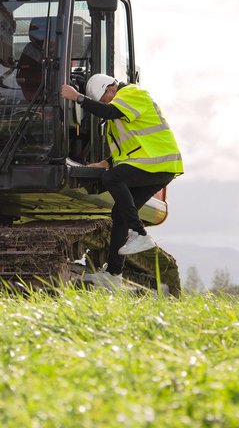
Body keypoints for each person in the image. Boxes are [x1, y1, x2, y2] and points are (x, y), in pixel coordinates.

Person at [59, 73, 183, 288]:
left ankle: (139, 233)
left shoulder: (133, 94)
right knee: (119, 212)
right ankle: (114, 274)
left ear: (111, 89)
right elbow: (128, 148)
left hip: (158, 163)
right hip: (152, 166)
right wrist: (104, 163)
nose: (105, 104)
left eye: (104, 99)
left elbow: (110, 111)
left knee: (113, 179)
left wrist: (77, 98)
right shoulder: (121, 114)